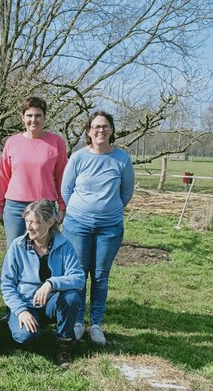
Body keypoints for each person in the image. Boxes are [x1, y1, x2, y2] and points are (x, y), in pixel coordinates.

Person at [61, 111, 135, 346]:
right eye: (95, 126)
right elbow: (66, 190)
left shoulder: (121, 159)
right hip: (77, 224)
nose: (100, 130)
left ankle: (96, 324)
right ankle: (78, 322)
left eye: (105, 126)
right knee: (79, 274)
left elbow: (126, 193)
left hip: (109, 227)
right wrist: (84, 210)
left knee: (101, 276)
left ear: (111, 130)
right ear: (88, 131)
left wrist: (106, 210)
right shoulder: (78, 157)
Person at [0, 200, 84, 368]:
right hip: (25, 304)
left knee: (72, 296)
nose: (29, 227)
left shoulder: (64, 245)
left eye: (35, 222)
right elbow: (6, 284)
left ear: (50, 222)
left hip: (51, 304)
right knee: (25, 337)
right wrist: (21, 310)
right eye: (27, 221)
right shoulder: (17, 246)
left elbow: (78, 278)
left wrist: (51, 283)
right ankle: (11, 323)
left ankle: (63, 345)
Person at [0, 97, 68, 248]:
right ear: (22, 117)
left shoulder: (56, 142)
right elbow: (3, 177)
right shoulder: (12, 142)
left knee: (44, 251)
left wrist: (62, 206)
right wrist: (0, 206)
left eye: (38, 115)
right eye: (29, 115)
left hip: (45, 206)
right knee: (16, 250)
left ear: (44, 118)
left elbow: (62, 177)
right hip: (15, 207)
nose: (33, 120)